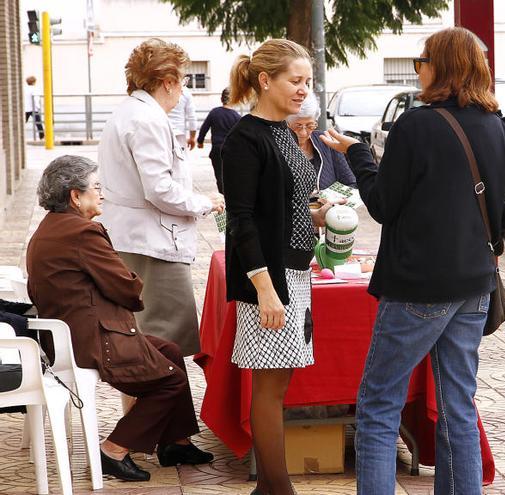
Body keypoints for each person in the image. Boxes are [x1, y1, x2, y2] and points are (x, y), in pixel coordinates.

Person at [320, 27, 505, 494]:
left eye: (421, 61)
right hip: (474, 286)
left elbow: (382, 204)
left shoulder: (415, 126)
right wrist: (477, 222)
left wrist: (360, 155)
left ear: (438, 67)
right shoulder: (498, 128)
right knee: (457, 406)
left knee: (379, 405)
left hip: (418, 286)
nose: (418, 70)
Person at [26, 155, 214, 482]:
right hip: (93, 340)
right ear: (75, 196)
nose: (102, 194)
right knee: (169, 380)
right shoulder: (82, 232)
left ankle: (175, 443)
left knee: (168, 351)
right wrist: (129, 284)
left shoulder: (48, 228)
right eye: (96, 187)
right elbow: (127, 288)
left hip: (67, 338)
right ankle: (113, 448)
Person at [222, 39, 337, 495]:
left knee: (279, 385)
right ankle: (279, 489)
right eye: (295, 80)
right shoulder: (245, 138)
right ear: (265, 80)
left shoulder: (282, 132)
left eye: (307, 81)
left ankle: (268, 490)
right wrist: (265, 289)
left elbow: (282, 206)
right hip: (267, 278)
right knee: (268, 390)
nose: (303, 90)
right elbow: (241, 220)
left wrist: (316, 216)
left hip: (294, 271)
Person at [97, 38, 224, 357]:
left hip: (137, 236)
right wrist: (205, 203)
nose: (183, 88)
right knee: (162, 343)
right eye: (182, 80)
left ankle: (142, 408)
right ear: (167, 82)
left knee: (140, 339)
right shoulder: (147, 119)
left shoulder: (130, 112)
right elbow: (159, 189)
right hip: (153, 243)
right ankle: (160, 408)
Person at [286, 93, 357, 191]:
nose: (303, 133)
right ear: (285, 124)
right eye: (297, 126)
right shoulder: (277, 146)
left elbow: (350, 183)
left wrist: (334, 200)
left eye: (310, 125)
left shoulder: (326, 141)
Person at [197, 88, 241, 193]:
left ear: (222, 98)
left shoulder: (214, 112)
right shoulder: (237, 117)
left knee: (220, 176)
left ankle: (223, 199)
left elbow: (204, 128)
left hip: (217, 149)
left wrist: (200, 141)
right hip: (231, 151)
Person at [168, 84, 198, 151]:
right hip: (179, 133)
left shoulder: (158, 88)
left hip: (162, 131)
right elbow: (192, 117)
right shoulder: (185, 91)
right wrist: (192, 138)